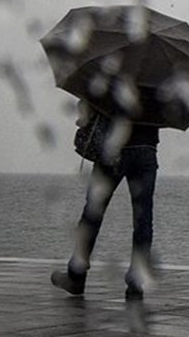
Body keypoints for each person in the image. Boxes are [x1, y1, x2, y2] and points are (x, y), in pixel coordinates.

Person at [52, 101, 159, 299]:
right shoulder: (160, 76)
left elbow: (91, 103)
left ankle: (76, 275)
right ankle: (136, 281)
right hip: (146, 149)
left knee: (93, 213)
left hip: (114, 148)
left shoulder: (115, 72)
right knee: (143, 218)